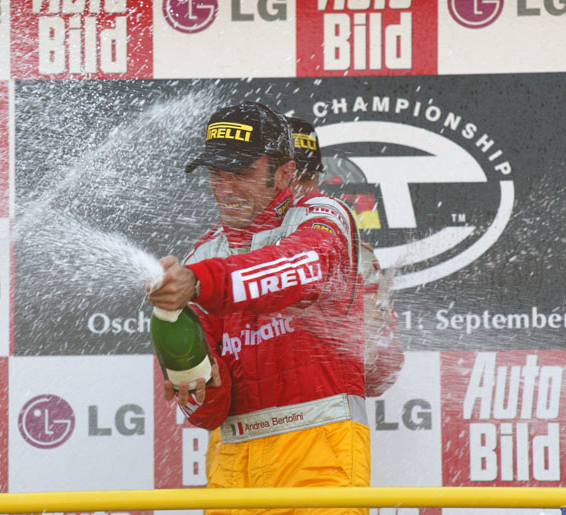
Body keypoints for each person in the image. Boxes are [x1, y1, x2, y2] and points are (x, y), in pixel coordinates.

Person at [148, 102, 369, 514]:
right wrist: (194, 382)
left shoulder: (323, 216)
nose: (226, 188)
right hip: (232, 456)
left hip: (316, 444)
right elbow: (209, 412)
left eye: (243, 173)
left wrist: (201, 283)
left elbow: (302, 268)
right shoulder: (204, 253)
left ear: (284, 173)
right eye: (217, 174)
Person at [287, 117, 404, 398]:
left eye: (307, 178)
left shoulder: (356, 256)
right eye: (286, 178)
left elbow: (383, 375)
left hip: (329, 433)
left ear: (319, 180)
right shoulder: (224, 249)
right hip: (247, 433)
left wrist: (368, 341)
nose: (297, 191)